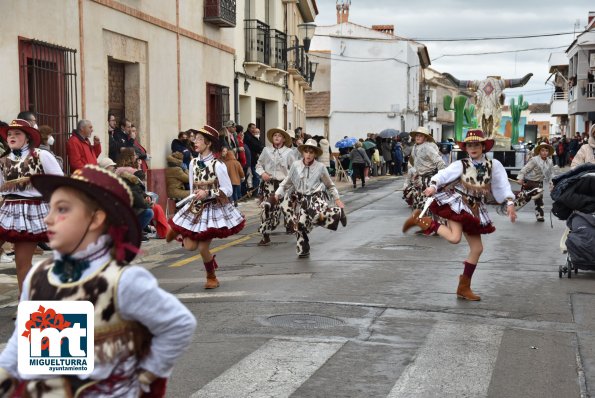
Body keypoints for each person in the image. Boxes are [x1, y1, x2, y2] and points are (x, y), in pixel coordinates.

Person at [0, 165, 196, 396]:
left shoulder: (122, 280)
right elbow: (23, 341)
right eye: (49, 208)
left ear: (95, 220)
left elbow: (179, 324)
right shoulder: (39, 275)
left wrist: (145, 375)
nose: (48, 219)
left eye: (62, 209)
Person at [402, 129, 517, 301]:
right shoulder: (461, 164)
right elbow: (443, 175)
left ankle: (464, 287)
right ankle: (422, 221)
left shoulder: (494, 165)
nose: (473, 148)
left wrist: (509, 202)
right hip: (457, 204)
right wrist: (433, 185)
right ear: (466, 148)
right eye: (469, 145)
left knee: (477, 249)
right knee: (455, 238)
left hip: (475, 208)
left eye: (476, 144)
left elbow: (502, 184)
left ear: (483, 146)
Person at [166, 126, 245, 289]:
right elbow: (191, 187)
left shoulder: (218, 165)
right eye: (195, 138)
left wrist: (208, 193)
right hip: (196, 207)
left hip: (213, 208)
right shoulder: (193, 162)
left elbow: (228, 190)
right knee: (190, 247)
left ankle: (211, 277)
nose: (195, 141)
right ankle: (179, 229)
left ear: (208, 143)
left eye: (199, 139)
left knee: (202, 247)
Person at [0, 120, 63, 292]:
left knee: (22, 262)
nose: (12, 137)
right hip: (7, 209)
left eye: (17, 134)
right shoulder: (3, 160)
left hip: (31, 210)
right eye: (9, 134)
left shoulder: (41, 155)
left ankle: (25, 302)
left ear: (27, 138)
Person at [273, 139, 347, 258]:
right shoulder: (295, 165)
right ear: (302, 153)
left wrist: (337, 199)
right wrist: (277, 194)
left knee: (317, 216)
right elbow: (286, 182)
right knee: (300, 225)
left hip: (315, 197)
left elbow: (330, 185)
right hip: (301, 199)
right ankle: (303, 248)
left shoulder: (320, 167)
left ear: (315, 154)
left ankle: (338, 213)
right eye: (306, 151)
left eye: (311, 152)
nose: (308, 154)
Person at [255, 128, 297, 246]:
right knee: (267, 211)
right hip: (269, 186)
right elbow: (259, 165)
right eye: (275, 136)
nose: (277, 137)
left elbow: (294, 169)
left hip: (284, 186)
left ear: (284, 139)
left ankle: (296, 232)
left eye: (279, 136)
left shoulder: (289, 152)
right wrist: (263, 174)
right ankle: (265, 236)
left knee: (288, 211)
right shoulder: (266, 150)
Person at [404, 126, 445, 211]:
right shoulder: (415, 147)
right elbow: (414, 162)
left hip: (429, 179)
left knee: (429, 206)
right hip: (419, 179)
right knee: (418, 205)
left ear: (425, 138)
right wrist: (416, 172)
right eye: (417, 135)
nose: (418, 137)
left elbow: (440, 162)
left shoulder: (428, 148)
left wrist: (441, 178)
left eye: (421, 136)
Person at [516, 140, 555, 222]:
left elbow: (551, 174)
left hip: (539, 183)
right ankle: (511, 210)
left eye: (546, 151)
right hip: (529, 182)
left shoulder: (550, 162)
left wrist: (552, 184)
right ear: (539, 151)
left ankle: (540, 215)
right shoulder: (534, 160)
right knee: (522, 199)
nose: (545, 152)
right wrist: (520, 178)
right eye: (543, 150)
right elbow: (525, 168)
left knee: (539, 200)